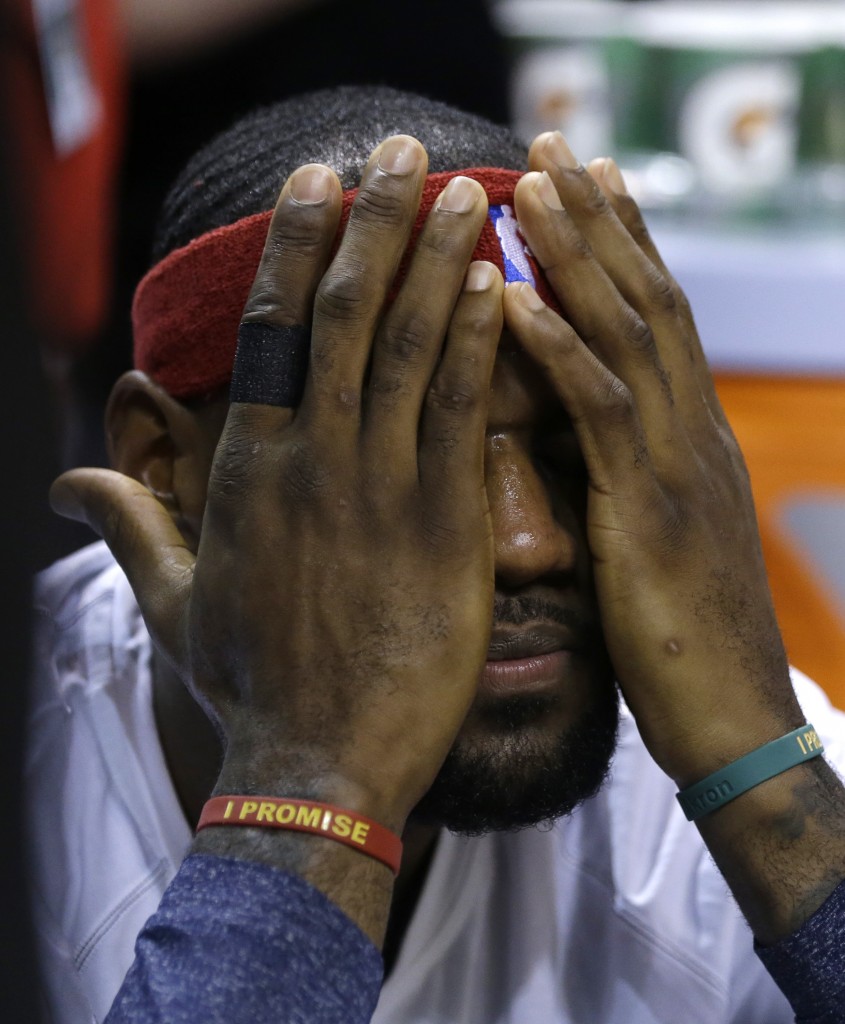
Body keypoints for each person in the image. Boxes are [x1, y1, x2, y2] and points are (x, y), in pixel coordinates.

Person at [31, 86, 845, 1024]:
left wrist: (770, 784)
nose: (528, 542)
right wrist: (314, 783)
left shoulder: (716, 748)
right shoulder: (35, 776)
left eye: (572, 450)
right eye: (407, 458)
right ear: (162, 466)